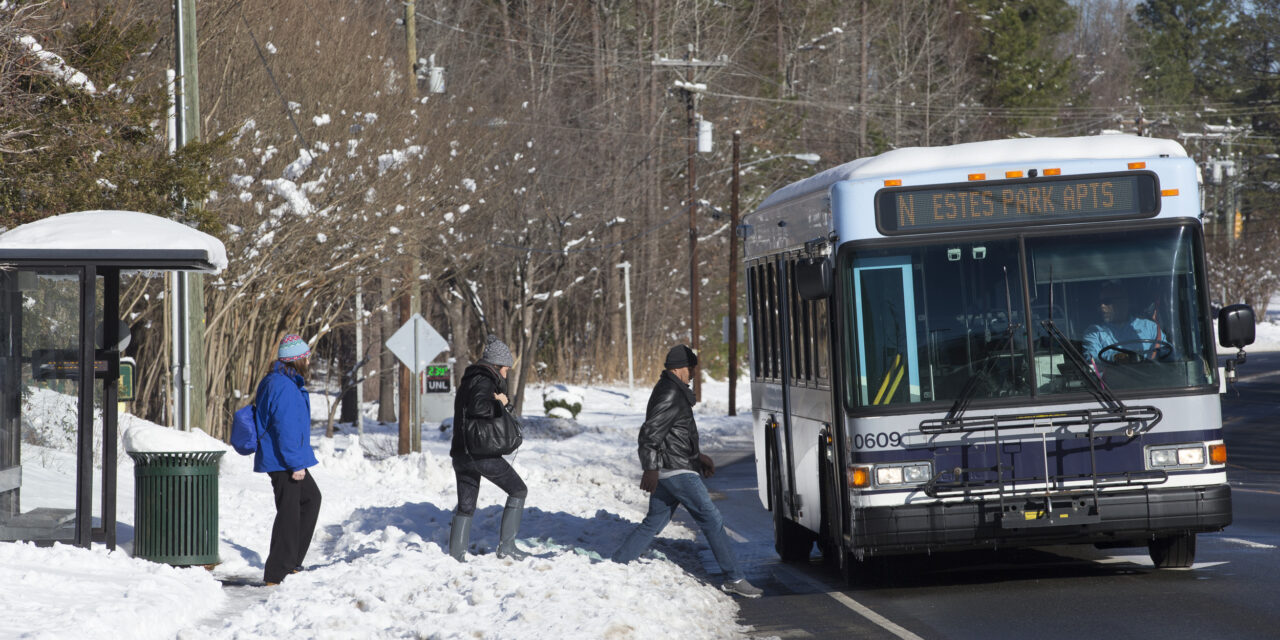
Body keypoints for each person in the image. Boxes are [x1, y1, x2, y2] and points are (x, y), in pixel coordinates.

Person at [610, 345, 763, 598]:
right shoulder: (669, 393)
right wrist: (650, 468)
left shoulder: (672, 390)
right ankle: (733, 577)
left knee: (654, 521)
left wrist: (698, 456)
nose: (693, 373)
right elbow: (650, 432)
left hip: (674, 466)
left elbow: (676, 433)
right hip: (675, 470)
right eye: (691, 368)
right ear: (679, 367)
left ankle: (616, 563)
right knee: (711, 519)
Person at [448, 335, 529, 562]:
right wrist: (500, 403)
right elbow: (479, 407)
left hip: (461, 454)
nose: (506, 373)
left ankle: (455, 556)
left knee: (466, 506)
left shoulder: (469, 380)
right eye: (505, 369)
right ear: (496, 365)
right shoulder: (484, 380)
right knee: (518, 490)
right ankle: (507, 547)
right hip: (480, 454)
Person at [253, 333, 322, 586]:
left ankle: (290, 563)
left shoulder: (283, 381)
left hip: (284, 457)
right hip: (283, 460)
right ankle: (278, 571)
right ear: (296, 359)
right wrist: (296, 464)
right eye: (306, 356)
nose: (308, 360)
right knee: (289, 513)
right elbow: (286, 428)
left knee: (309, 499)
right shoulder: (282, 385)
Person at [1082, 281, 1164, 365]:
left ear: (1124, 302)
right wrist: (1120, 357)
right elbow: (1092, 359)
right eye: (1100, 302)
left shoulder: (1150, 327)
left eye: (1107, 301)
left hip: (1151, 376)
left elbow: (1168, 353)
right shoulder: (1094, 332)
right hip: (1109, 377)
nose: (1102, 306)